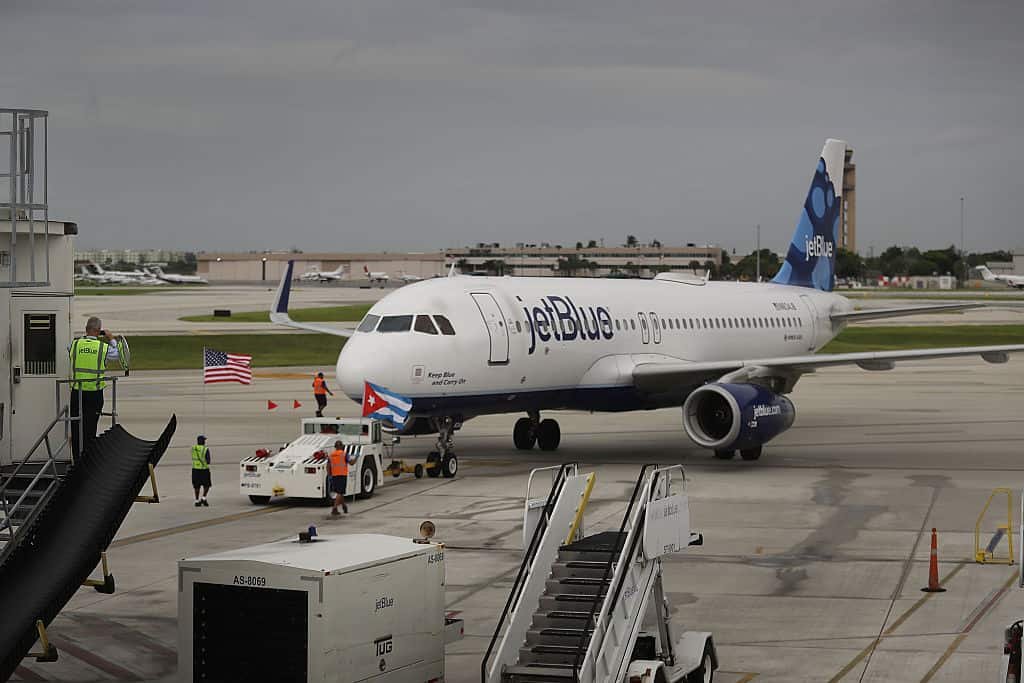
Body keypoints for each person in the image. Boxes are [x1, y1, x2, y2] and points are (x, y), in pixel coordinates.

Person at [68, 316, 121, 457]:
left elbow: (69, 350)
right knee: (90, 428)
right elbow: (118, 355)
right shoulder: (103, 348)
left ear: (86, 330)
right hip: (94, 393)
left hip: (77, 393)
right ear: (99, 331)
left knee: (76, 427)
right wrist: (111, 339)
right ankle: (87, 459)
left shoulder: (75, 344)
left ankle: (76, 459)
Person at [328, 439, 349, 516]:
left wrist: (329, 475)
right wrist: (356, 457)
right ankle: (334, 508)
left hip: (334, 475)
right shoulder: (344, 454)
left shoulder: (331, 455)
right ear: (341, 446)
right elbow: (352, 463)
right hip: (342, 475)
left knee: (340, 492)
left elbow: (328, 465)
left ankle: (344, 506)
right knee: (340, 492)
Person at [191, 435, 212, 507]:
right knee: (207, 485)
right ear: (203, 441)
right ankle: (203, 498)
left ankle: (197, 500)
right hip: (204, 469)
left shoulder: (193, 448)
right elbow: (208, 461)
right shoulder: (205, 449)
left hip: (195, 469)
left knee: (196, 486)